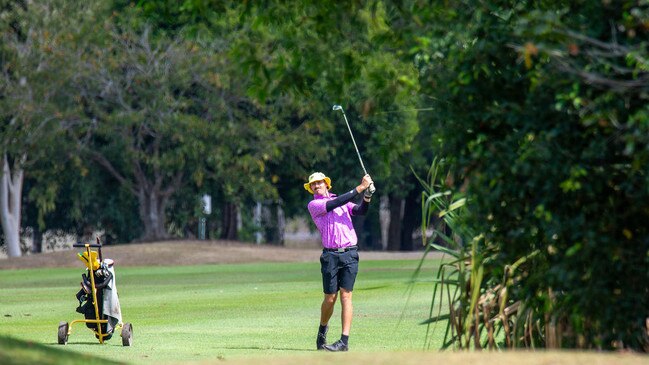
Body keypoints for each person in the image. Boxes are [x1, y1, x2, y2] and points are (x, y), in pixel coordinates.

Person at [304, 171, 375, 352]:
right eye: (314, 184)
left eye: (320, 183)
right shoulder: (315, 204)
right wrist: (360, 187)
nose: (317, 186)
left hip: (350, 253)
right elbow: (335, 203)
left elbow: (360, 211)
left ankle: (344, 341)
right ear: (311, 188)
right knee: (330, 298)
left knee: (346, 296)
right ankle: (322, 329)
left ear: (327, 184)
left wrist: (367, 196)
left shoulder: (343, 202)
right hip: (330, 255)